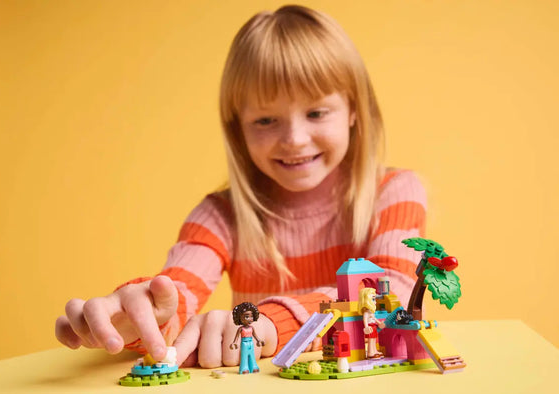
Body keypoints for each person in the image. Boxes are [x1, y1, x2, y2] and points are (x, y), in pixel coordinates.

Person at [55, 5, 426, 369]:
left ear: (354, 110)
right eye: (266, 120)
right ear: (239, 129)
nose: (294, 139)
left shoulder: (394, 192)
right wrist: (138, 317)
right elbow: (177, 297)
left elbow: (391, 295)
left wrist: (268, 323)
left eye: (316, 112)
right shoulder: (220, 216)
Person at [229, 302, 265, 374]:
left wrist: (259, 340)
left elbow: (255, 336)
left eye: (251, 316)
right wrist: (234, 343)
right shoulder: (241, 329)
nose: (250, 319)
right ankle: (244, 368)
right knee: (244, 356)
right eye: (247, 317)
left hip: (251, 343)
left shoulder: (252, 328)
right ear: (240, 318)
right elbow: (236, 338)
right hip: (244, 343)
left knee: (252, 355)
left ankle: (253, 366)